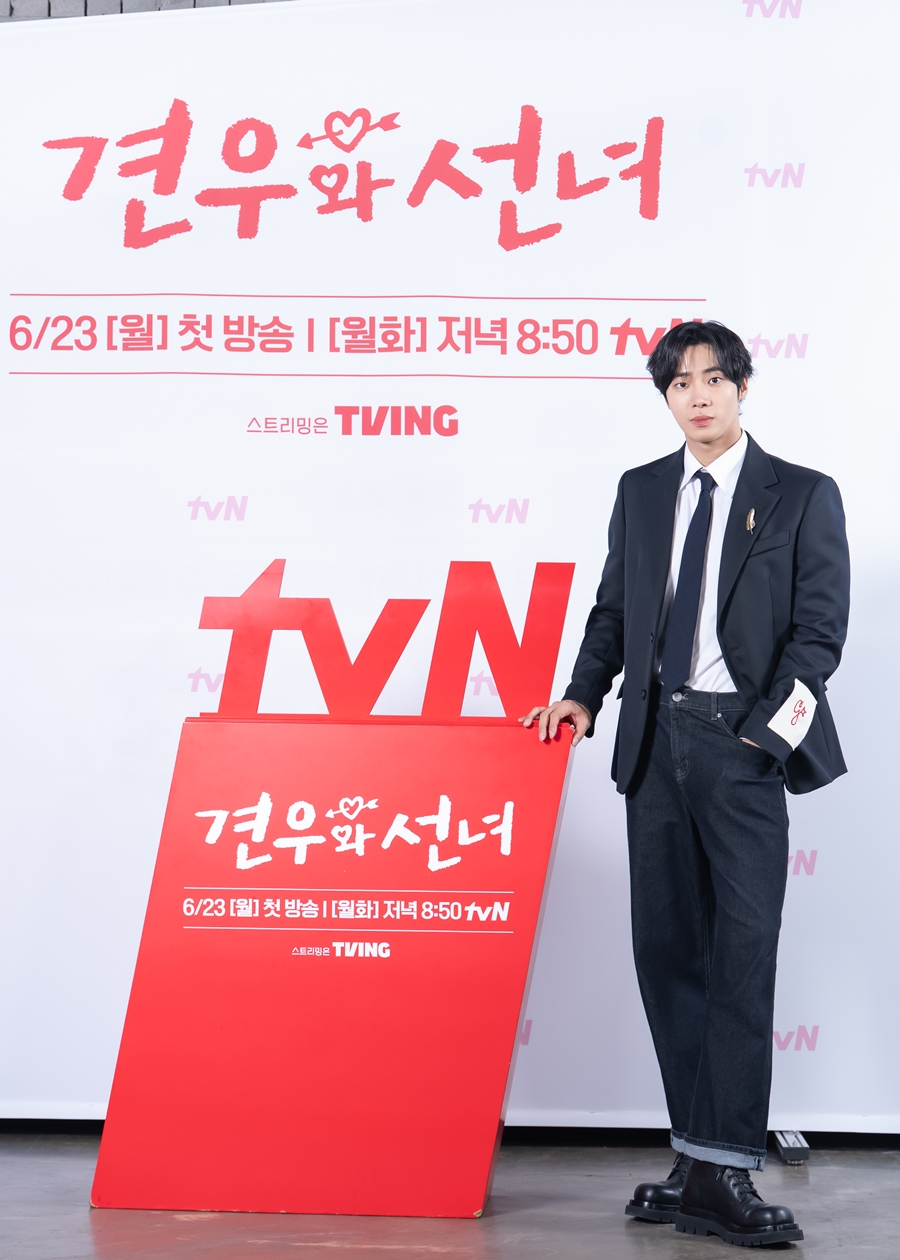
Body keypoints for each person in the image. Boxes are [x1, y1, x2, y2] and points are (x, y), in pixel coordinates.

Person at [521, 320, 850, 1247]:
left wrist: (761, 739)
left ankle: (726, 1166)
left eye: (714, 379)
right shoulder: (641, 489)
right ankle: (697, 1159)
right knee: (668, 954)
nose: (698, 396)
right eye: (680, 384)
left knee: (742, 957)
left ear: (743, 386)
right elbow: (615, 609)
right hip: (652, 740)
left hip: (740, 744)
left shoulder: (802, 494)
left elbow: (819, 638)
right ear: (665, 396)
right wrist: (584, 694)